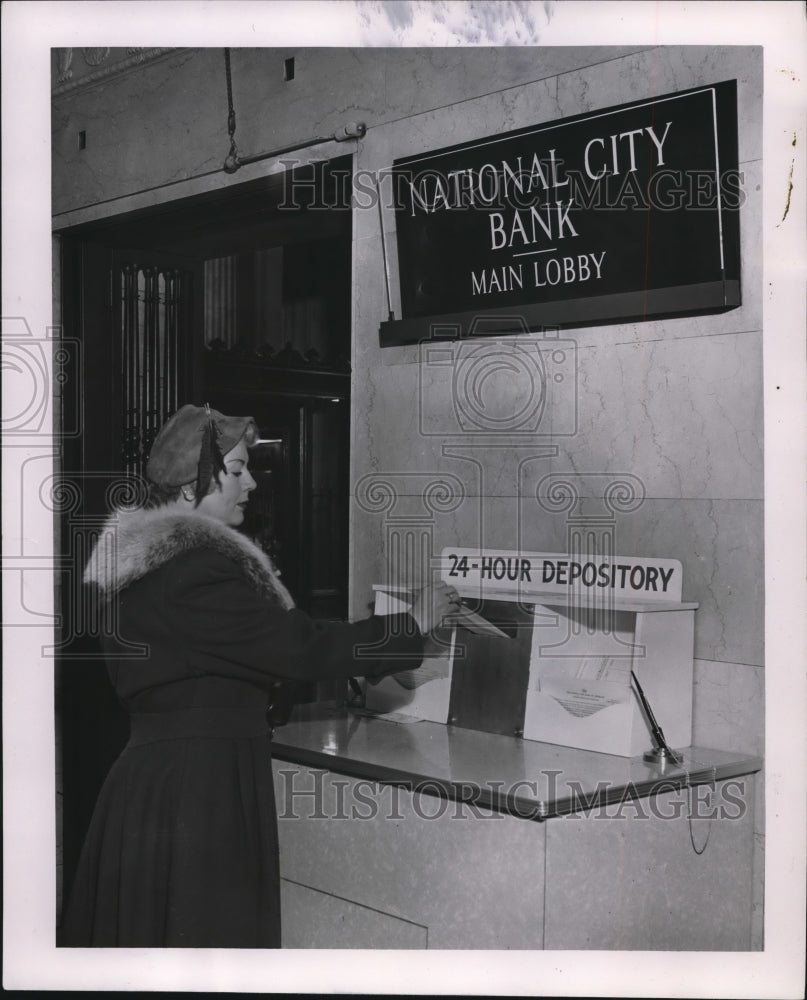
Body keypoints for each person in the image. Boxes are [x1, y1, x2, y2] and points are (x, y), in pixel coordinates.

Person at [60, 403, 459, 948]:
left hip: (170, 781)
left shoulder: (151, 568)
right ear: (187, 486)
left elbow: (245, 657)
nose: (250, 482)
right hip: (195, 790)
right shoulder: (194, 571)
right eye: (238, 469)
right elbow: (298, 647)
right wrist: (409, 626)